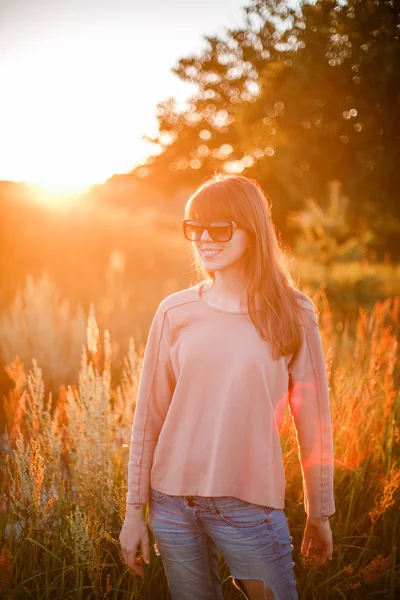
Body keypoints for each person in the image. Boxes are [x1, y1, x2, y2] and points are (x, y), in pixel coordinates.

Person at [119, 174, 335, 600]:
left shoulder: (293, 312)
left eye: (219, 228)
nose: (204, 239)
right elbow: (148, 419)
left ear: (252, 230)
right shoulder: (174, 312)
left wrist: (319, 511)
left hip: (249, 508)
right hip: (171, 504)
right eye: (194, 228)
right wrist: (132, 512)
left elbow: (314, 422)